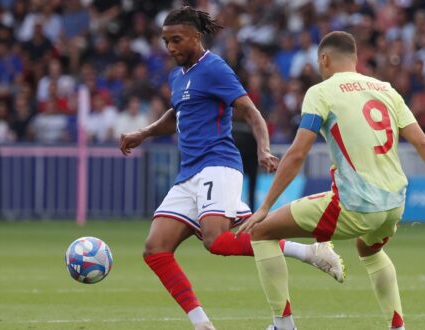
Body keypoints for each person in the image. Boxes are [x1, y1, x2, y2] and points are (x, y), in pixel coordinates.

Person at [238, 31, 425, 330]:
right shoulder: (386, 89)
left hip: (354, 204)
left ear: (324, 59)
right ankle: (398, 327)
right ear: (356, 59)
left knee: (262, 232)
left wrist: (265, 205)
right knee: (368, 250)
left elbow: (297, 153)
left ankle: (283, 325)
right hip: (394, 203)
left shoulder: (321, 92)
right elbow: (424, 143)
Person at [119, 7, 343, 330]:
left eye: (176, 40)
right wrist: (144, 132)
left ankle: (306, 253)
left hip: (218, 165)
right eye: (166, 41)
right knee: (155, 249)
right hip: (189, 173)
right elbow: (177, 114)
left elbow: (251, 112)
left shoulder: (215, 69)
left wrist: (263, 148)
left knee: (216, 241)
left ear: (196, 37)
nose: (170, 48)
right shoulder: (177, 75)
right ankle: (205, 324)